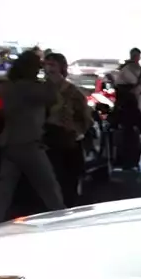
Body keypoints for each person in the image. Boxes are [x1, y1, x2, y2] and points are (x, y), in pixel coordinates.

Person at [0, 49, 65, 226]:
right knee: (49, 187)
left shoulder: (8, 87)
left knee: (3, 190)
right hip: (28, 143)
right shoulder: (30, 88)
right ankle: (61, 220)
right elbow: (53, 97)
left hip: (9, 142)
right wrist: (52, 76)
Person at [42, 51, 92, 204]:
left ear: (61, 67)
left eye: (53, 65)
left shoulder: (72, 92)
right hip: (46, 140)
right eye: (46, 65)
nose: (49, 68)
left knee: (68, 181)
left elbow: (85, 118)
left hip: (66, 140)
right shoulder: (40, 90)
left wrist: (76, 131)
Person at [109, 47, 141, 170]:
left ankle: (128, 161)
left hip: (128, 108)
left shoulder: (124, 71)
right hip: (139, 107)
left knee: (128, 136)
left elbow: (118, 89)